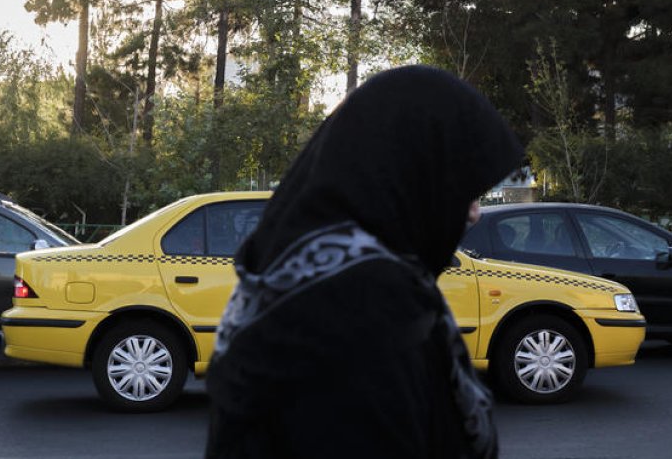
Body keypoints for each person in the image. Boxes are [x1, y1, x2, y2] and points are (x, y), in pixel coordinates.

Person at [205, 65, 523, 459]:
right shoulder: (358, 313)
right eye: (461, 189)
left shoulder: (301, 275)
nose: (474, 213)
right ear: (409, 176)